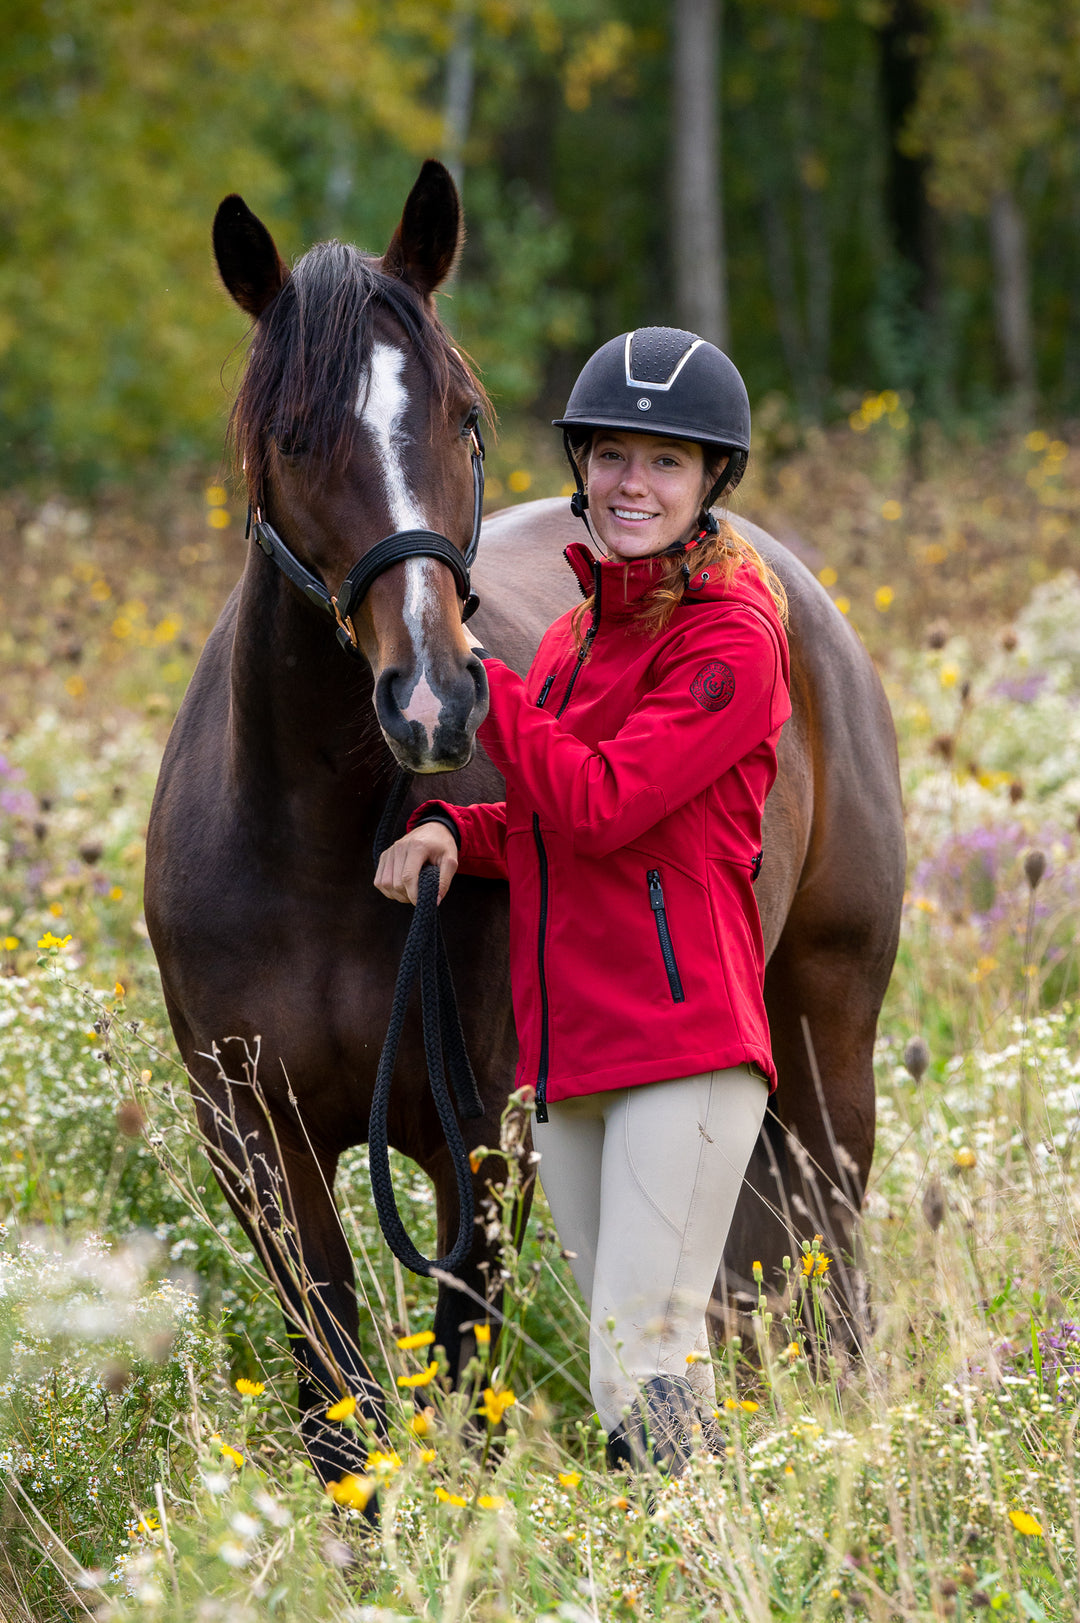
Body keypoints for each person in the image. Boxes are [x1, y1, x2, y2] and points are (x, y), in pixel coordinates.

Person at [375, 327, 791, 1477]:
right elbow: (557, 826)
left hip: (683, 1046)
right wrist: (456, 828)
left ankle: (705, 1578)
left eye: (666, 462)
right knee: (647, 1363)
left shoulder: (733, 639)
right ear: (581, 469)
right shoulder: (570, 639)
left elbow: (605, 804)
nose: (631, 485)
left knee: (638, 1358)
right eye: (612, 456)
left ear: (712, 483)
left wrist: (476, 677)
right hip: (570, 1057)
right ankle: (701, 1577)